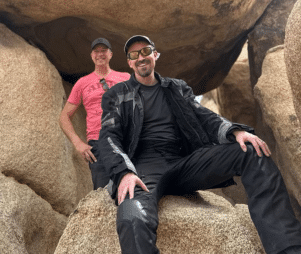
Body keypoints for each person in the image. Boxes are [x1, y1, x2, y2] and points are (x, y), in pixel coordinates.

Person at [98, 35, 301, 254]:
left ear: (155, 55)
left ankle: (288, 248)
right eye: (134, 55)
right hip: (144, 171)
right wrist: (124, 173)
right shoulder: (117, 94)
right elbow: (108, 136)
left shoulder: (176, 88)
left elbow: (203, 115)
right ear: (129, 62)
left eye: (146, 51)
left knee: (253, 151)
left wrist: (235, 131)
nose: (141, 57)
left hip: (185, 165)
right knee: (131, 217)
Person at [59, 38, 130, 189]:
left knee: (128, 186)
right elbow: (64, 116)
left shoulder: (125, 78)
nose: (100, 54)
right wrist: (78, 143)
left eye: (104, 51)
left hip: (124, 139)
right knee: (102, 191)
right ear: (91, 56)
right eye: (96, 51)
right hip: (97, 143)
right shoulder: (82, 83)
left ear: (111, 54)